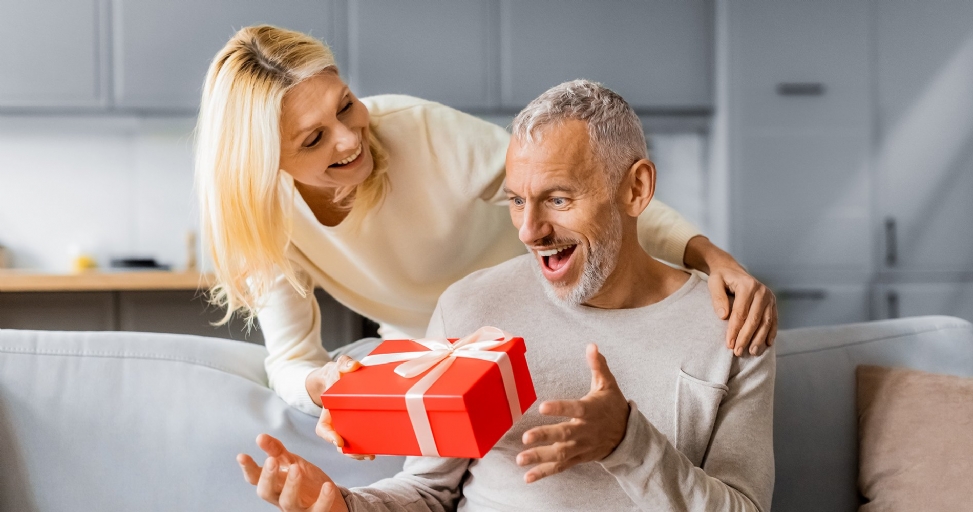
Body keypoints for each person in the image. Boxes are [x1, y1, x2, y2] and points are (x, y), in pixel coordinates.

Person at [195, 25, 778, 448]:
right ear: (264, 160)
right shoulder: (264, 219)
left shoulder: (416, 130)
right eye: (313, 140)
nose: (349, 140)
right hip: (433, 357)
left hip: (547, 315)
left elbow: (576, 191)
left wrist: (707, 253)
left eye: (345, 106)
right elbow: (292, 361)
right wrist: (324, 388)